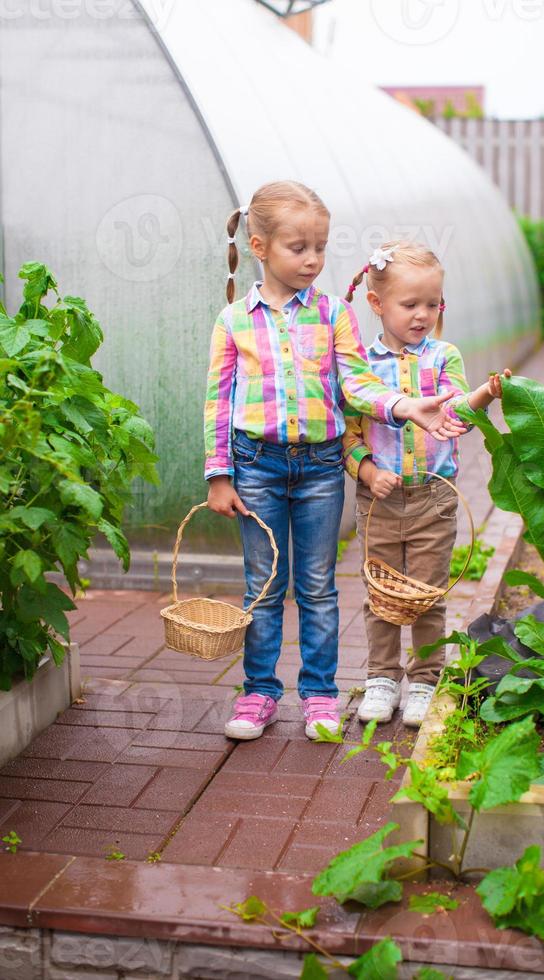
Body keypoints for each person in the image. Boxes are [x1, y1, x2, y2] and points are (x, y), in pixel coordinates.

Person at [204, 182, 468, 742]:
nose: (313, 260)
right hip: (256, 466)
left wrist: (402, 406)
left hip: (323, 467)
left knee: (319, 585)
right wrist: (219, 475)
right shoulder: (234, 320)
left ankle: (321, 696)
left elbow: (355, 383)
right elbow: (218, 401)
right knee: (265, 584)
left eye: (320, 247)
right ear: (259, 245)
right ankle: (258, 693)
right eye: (298, 247)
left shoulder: (333, 314)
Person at [343, 241, 510, 727]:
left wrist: (482, 394)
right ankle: (381, 676)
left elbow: (455, 407)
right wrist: (368, 471)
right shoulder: (361, 367)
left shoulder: (443, 355)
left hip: (434, 497)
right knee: (382, 591)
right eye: (409, 305)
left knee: (426, 591)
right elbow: (349, 435)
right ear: (377, 304)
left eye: (432, 304)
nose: (422, 315)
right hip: (379, 500)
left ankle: (424, 677)